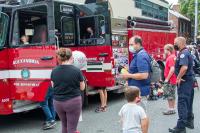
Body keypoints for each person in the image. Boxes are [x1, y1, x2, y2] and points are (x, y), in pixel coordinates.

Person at [51, 48, 85, 133]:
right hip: (73, 101)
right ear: (71, 57)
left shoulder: (54, 71)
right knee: (72, 129)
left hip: (58, 102)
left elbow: (53, 86)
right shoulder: (77, 71)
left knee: (64, 125)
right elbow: (82, 88)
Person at [169, 37, 194, 133]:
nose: (174, 44)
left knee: (182, 103)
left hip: (185, 81)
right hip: (189, 80)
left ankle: (181, 127)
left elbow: (184, 67)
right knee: (188, 102)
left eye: (175, 43)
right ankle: (189, 122)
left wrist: (178, 77)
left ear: (181, 43)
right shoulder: (186, 52)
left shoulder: (183, 53)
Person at [120, 35, 151, 111]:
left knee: (140, 116)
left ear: (138, 44)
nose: (130, 47)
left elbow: (144, 75)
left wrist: (128, 75)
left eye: (131, 44)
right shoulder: (138, 54)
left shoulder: (141, 55)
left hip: (139, 92)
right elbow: (138, 70)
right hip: (137, 91)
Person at [162, 44, 177, 115]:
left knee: (169, 94)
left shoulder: (171, 58)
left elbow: (172, 69)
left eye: (165, 49)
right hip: (173, 79)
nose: (164, 51)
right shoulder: (172, 56)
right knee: (172, 94)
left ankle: (171, 109)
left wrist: (167, 79)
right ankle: (172, 108)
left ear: (168, 50)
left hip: (170, 79)